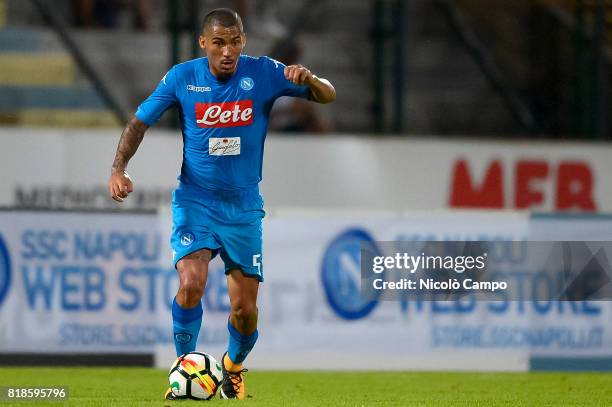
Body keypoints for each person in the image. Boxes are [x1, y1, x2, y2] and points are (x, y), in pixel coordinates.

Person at [106, 7, 335, 400]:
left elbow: (327, 95)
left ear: (242, 41)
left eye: (234, 42)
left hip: (243, 208)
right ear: (203, 44)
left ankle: (232, 367)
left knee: (245, 312)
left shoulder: (262, 72)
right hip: (195, 199)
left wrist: (309, 79)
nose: (227, 51)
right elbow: (140, 121)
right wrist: (118, 168)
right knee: (191, 283)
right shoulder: (183, 77)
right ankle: (184, 369)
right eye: (218, 43)